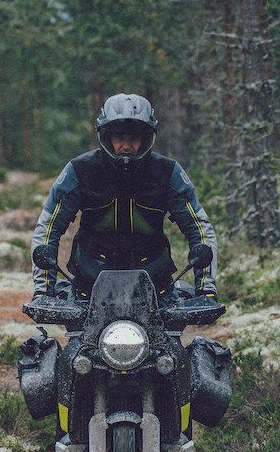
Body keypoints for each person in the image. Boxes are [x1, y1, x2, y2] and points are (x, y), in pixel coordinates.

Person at [31, 93, 218, 305]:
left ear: (146, 138)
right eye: (119, 137)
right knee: (74, 339)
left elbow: (199, 228)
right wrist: (43, 289)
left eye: (134, 138)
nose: (126, 146)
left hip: (156, 285)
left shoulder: (168, 172)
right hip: (88, 284)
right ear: (107, 137)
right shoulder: (80, 170)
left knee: (173, 338)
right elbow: (49, 226)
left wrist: (206, 289)